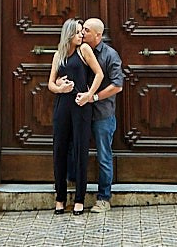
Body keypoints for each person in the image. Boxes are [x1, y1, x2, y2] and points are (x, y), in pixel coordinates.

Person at [46, 18, 102, 214]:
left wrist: (89, 95)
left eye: (82, 32)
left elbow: (99, 74)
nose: (81, 35)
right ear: (69, 34)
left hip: (81, 106)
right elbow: (50, 84)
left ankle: (79, 199)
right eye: (78, 32)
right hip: (63, 105)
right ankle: (60, 198)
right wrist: (60, 89)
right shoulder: (58, 55)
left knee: (80, 150)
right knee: (59, 149)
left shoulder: (84, 50)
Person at [79, 17, 125, 212]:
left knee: (104, 155)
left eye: (86, 30)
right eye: (82, 30)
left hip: (102, 113)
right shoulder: (78, 50)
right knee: (74, 151)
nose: (82, 33)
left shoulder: (110, 55)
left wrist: (95, 97)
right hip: (80, 112)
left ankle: (104, 198)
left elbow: (117, 85)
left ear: (98, 35)